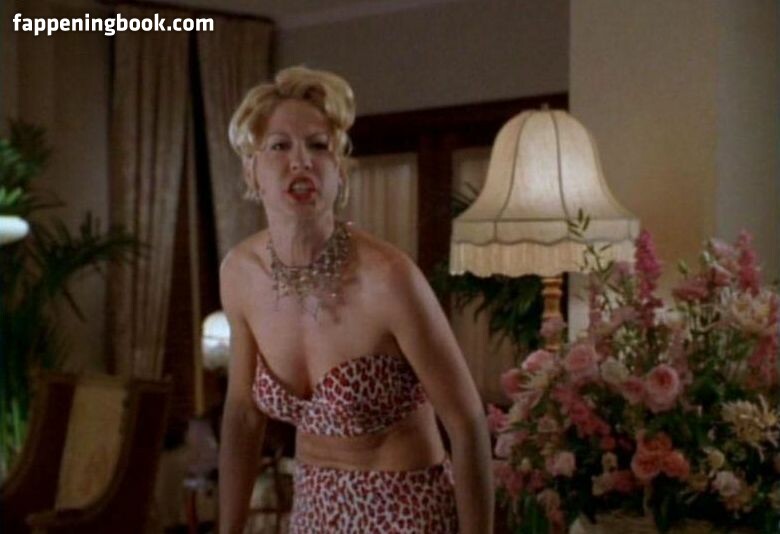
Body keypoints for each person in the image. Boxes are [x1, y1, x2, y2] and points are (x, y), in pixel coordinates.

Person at [218, 65, 493, 534]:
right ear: (252, 170)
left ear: (340, 171)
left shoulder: (389, 278)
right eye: (280, 146)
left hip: (405, 509)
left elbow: (466, 423)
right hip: (313, 511)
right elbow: (243, 415)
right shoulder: (240, 273)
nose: (301, 162)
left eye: (318, 146)